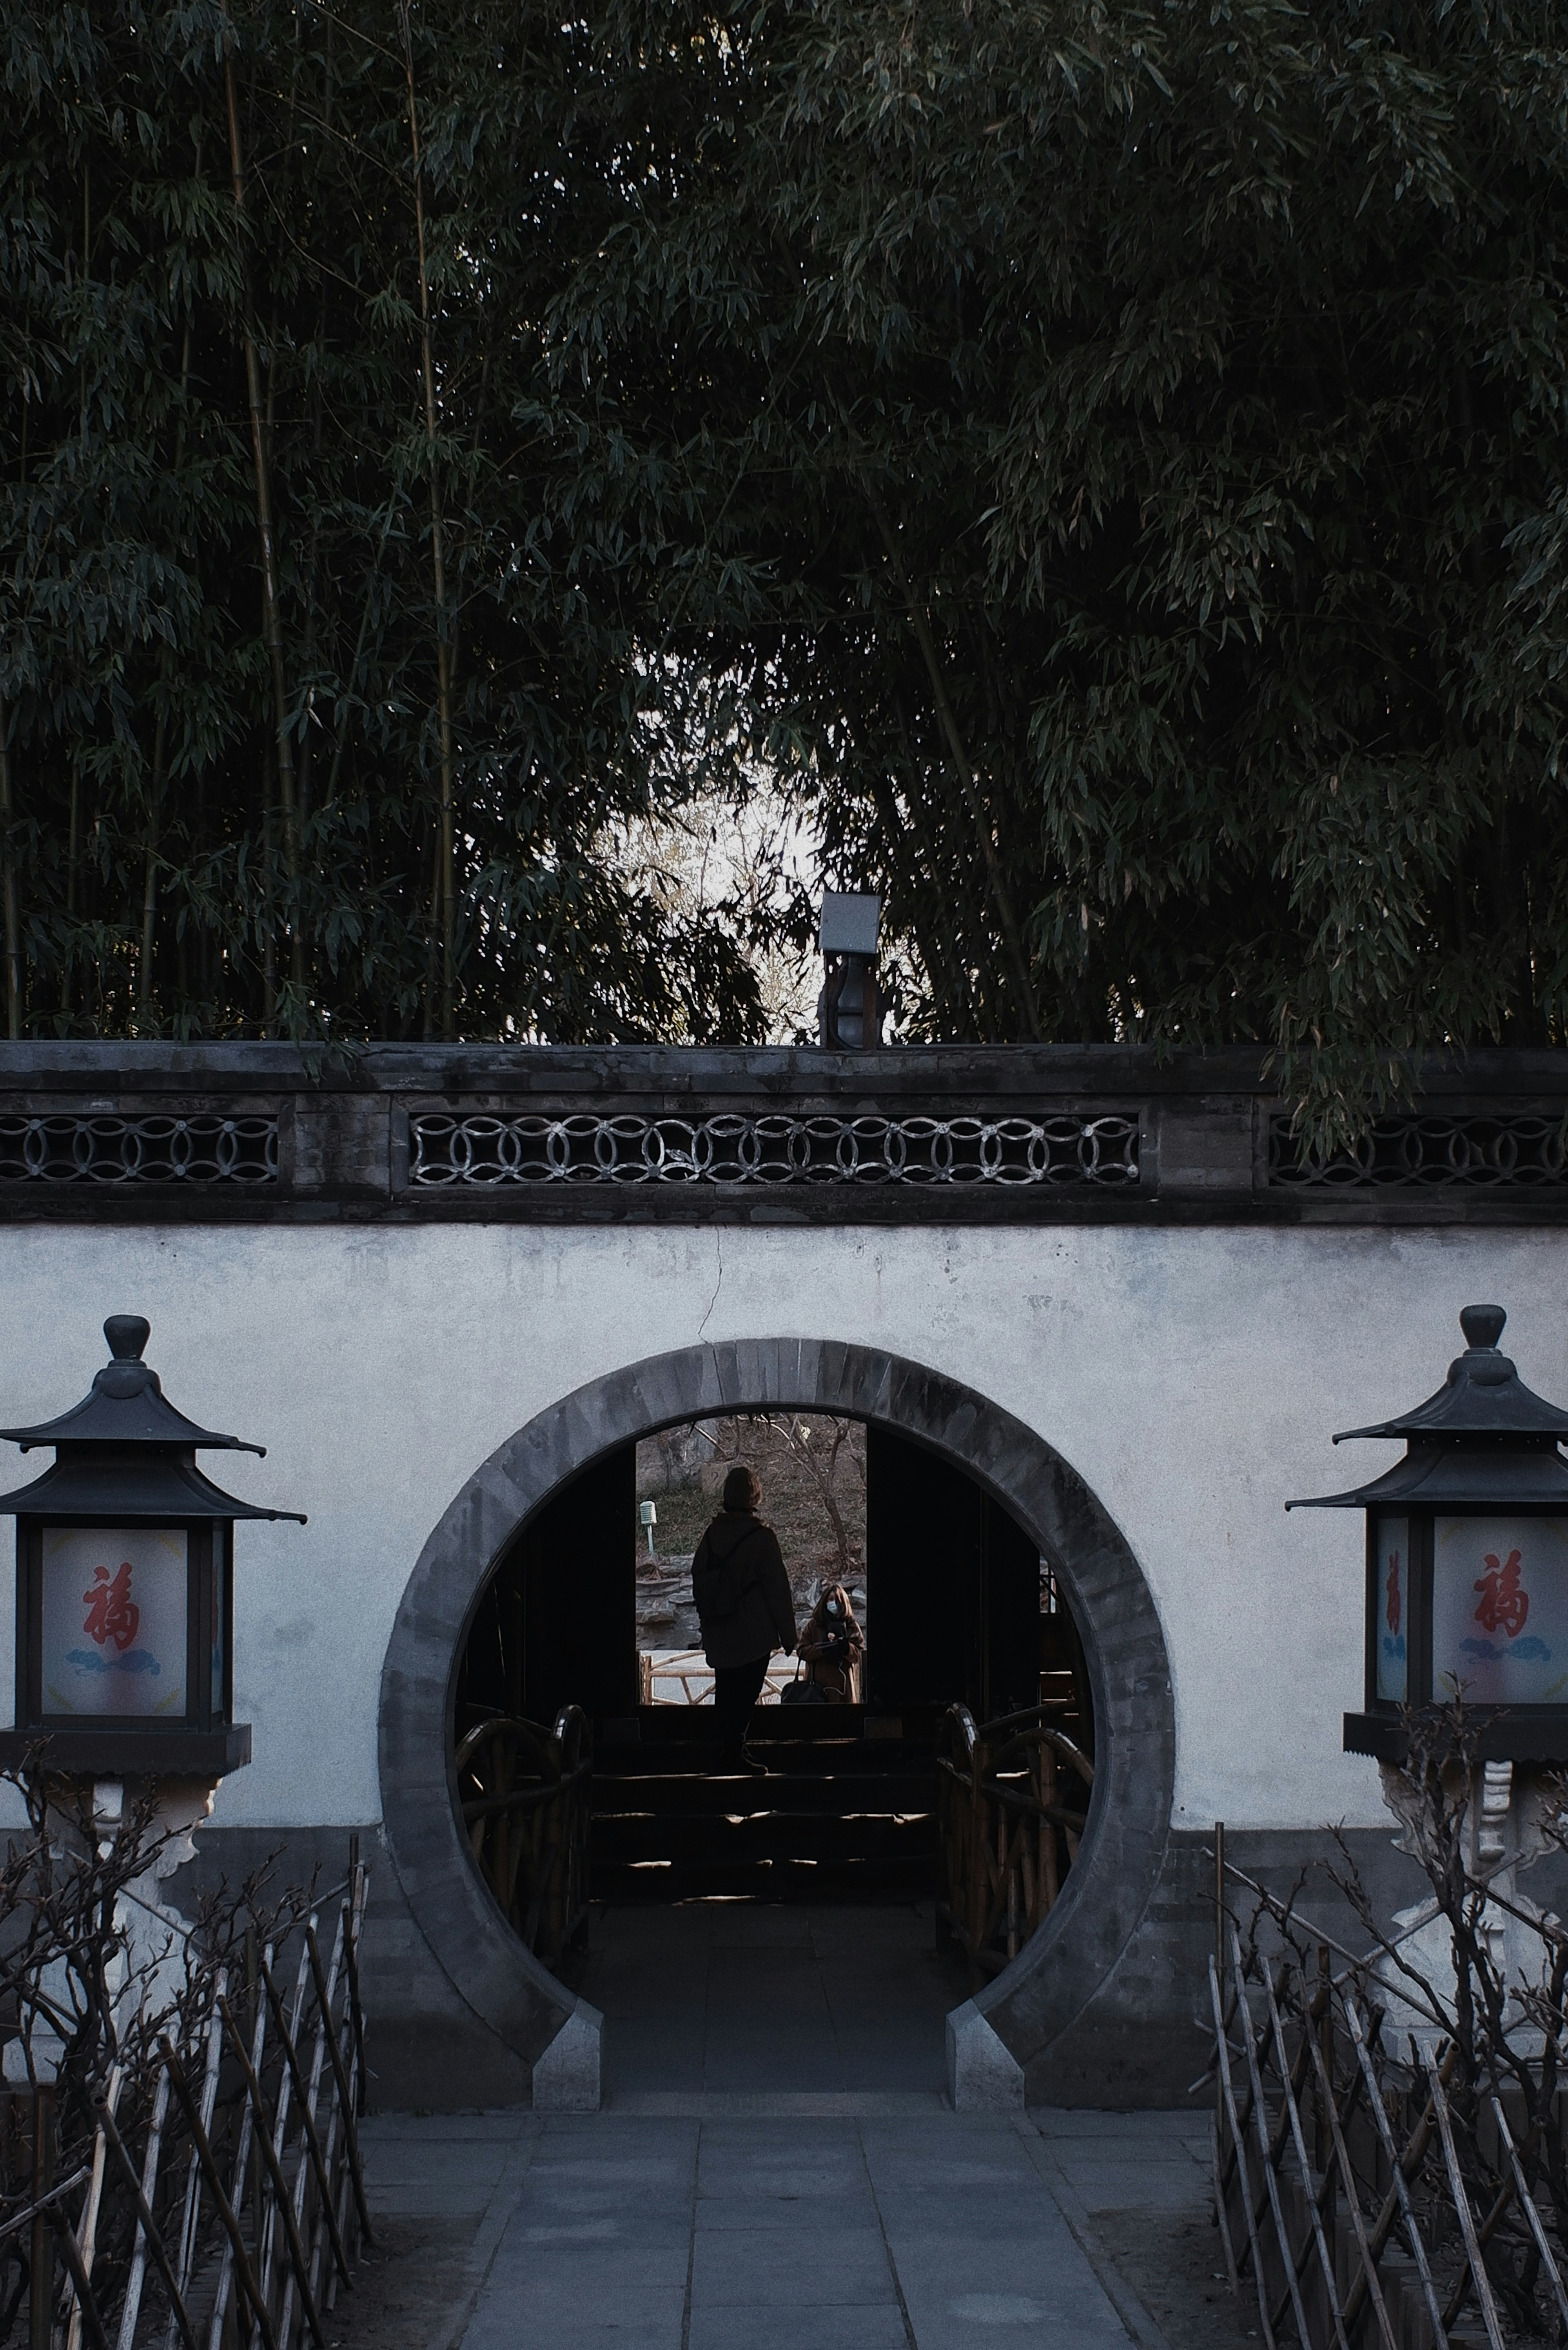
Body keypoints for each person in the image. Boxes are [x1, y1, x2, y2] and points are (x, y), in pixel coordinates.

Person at [691, 1465, 797, 1774]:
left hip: (720, 1631)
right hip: (754, 1634)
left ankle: (728, 1748)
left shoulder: (711, 1535)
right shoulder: (762, 1538)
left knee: (726, 1692)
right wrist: (789, 1636)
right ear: (755, 1495)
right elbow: (778, 1589)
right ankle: (734, 1751)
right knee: (746, 1693)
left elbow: (700, 1575)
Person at [796, 1582, 864, 1703]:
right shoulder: (814, 1626)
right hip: (817, 1690)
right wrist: (823, 1648)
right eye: (829, 1600)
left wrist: (846, 1648)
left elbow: (859, 1655)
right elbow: (802, 1651)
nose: (832, 1604)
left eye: (835, 1600)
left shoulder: (851, 1626)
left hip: (844, 1691)